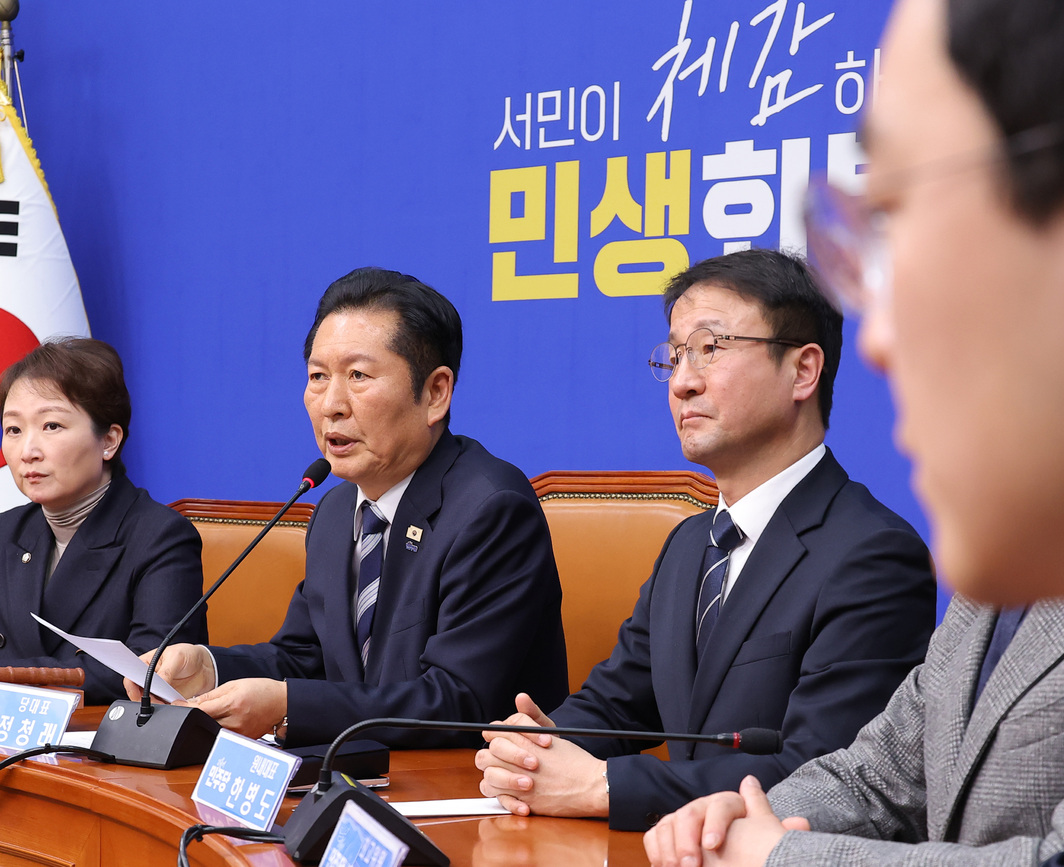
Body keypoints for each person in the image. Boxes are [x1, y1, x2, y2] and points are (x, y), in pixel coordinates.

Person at [644, 0, 1064, 864]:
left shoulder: (876, 549)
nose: (876, 338)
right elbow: (882, 773)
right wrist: (734, 817)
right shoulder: (1002, 567)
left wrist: (780, 855)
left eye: (899, 213)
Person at [475, 248, 937, 831]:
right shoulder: (689, 543)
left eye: (710, 349)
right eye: (675, 356)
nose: (683, 382)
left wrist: (601, 787)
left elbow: (824, 777)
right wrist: (537, 750)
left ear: (802, 371)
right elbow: (616, 704)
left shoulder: (873, 555)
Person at [132, 267, 569, 747]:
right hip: (360, 774)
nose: (331, 405)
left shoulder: (491, 509)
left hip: (471, 779)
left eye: (358, 375)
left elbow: (458, 700)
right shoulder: (337, 509)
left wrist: (288, 707)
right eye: (318, 377)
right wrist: (208, 669)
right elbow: (305, 658)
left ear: (435, 393)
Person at [0, 337, 207, 704]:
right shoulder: (2, 534)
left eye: (52, 426)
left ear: (109, 440)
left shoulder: (161, 536)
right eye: (14, 430)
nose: (28, 451)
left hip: (98, 735)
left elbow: (153, 672)